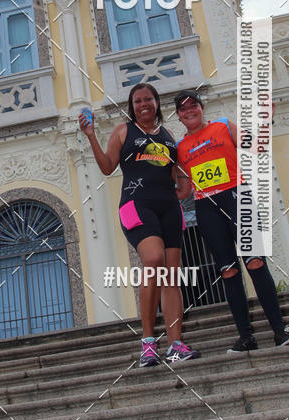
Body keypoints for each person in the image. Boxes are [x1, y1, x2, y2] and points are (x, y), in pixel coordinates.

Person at [79, 83, 200, 367]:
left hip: (169, 208)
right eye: (137, 101)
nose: (143, 104)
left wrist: (185, 186)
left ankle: (176, 344)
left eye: (148, 99)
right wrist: (91, 136)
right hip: (136, 206)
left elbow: (179, 178)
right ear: (132, 107)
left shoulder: (168, 135)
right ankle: (147, 343)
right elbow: (108, 166)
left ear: (156, 103)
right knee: (154, 260)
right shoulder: (124, 131)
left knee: (172, 276)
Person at [174, 89, 289, 353]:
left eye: (193, 105)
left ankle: (280, 331)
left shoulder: (222, 125)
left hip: (236, 197)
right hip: (206, 207)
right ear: (179, 116)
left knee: (255, 262)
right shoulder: (180, 147)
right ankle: (246, 337)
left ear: (201, 107)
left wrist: (265, 121)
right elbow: (183, 190)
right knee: (228, 271)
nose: (189, 111)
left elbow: (254, 146)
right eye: (183, 109)